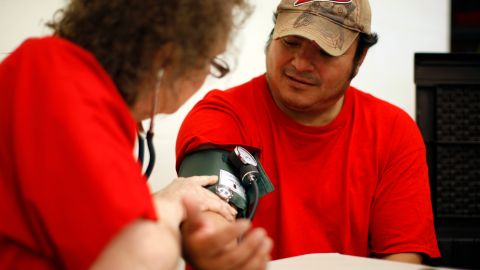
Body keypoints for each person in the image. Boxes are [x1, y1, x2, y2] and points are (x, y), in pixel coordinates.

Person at [0, 0, 272, 269]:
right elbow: (141, 255)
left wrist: (164, 200)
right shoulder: (57, 85)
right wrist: (169, 210)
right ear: (167, 58)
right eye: (211, 62)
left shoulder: (54, 75)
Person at [176, 0, 441, 267]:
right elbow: (211, 221)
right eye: (291, 41)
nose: (301, 64)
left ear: (359, 59)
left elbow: (401, 258)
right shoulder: (222, 115)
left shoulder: (392, 131)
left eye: (325, 52)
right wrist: (210, 245)